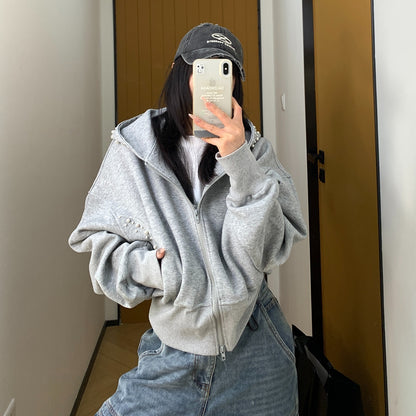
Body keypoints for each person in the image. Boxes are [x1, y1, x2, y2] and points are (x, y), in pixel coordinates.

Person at [69, 22, 307, 416]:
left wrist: (240, 162)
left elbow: (270, 249)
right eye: (202, 68)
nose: (214, 82)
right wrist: (157, 270)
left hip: (258, 350)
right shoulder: (134, 152)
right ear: (180, 73)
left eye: (225, 71)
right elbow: (100, 247)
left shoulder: (254, 152)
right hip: (173, 356)